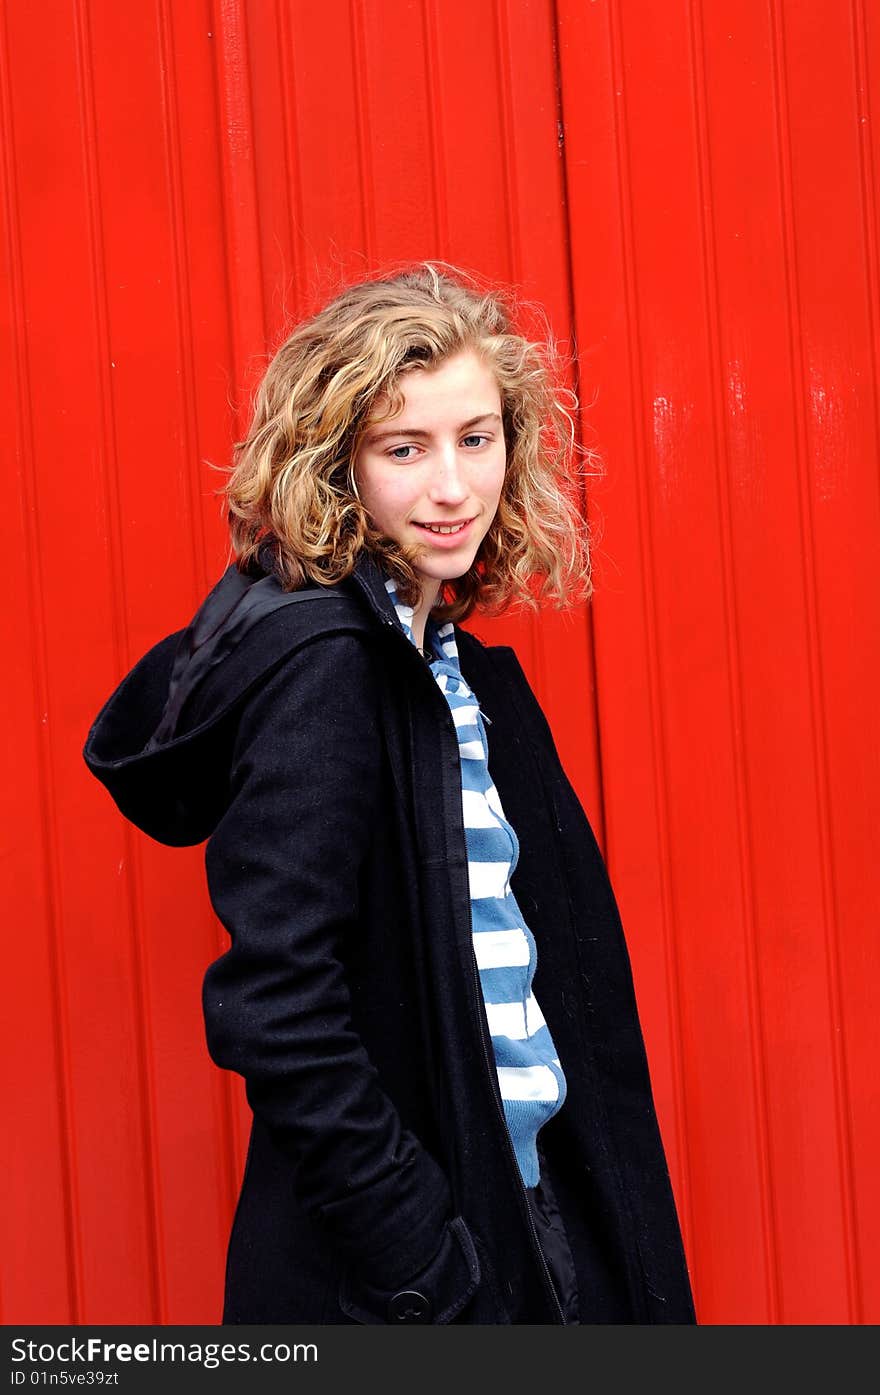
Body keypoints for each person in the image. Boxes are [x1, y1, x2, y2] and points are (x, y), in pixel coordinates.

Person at [83, 262, 696, 1325]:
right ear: (337, 468)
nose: (453, 487)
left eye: (476, 438)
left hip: (526, 1212)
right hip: (418, 1271)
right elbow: (278, 1010)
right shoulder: (330, 665)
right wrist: (428, 1264)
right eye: (404, 450)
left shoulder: (447, 666)